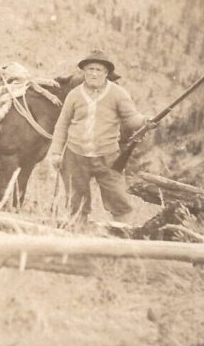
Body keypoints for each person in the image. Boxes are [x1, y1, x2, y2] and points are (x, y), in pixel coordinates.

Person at [48, 50, 155, 224]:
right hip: (75, 156)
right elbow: (62, 125)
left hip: (108, 157)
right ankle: (78, 236)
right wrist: (55, 152)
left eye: (99, 70)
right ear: (84, 71)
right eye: (90, 69)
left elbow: (131, 118)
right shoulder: (74, 95)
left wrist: (145, 121)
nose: (94, 73)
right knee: (76, 203)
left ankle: (122, 238)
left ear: (106, 73)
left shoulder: (118, 94)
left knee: (119, 202)